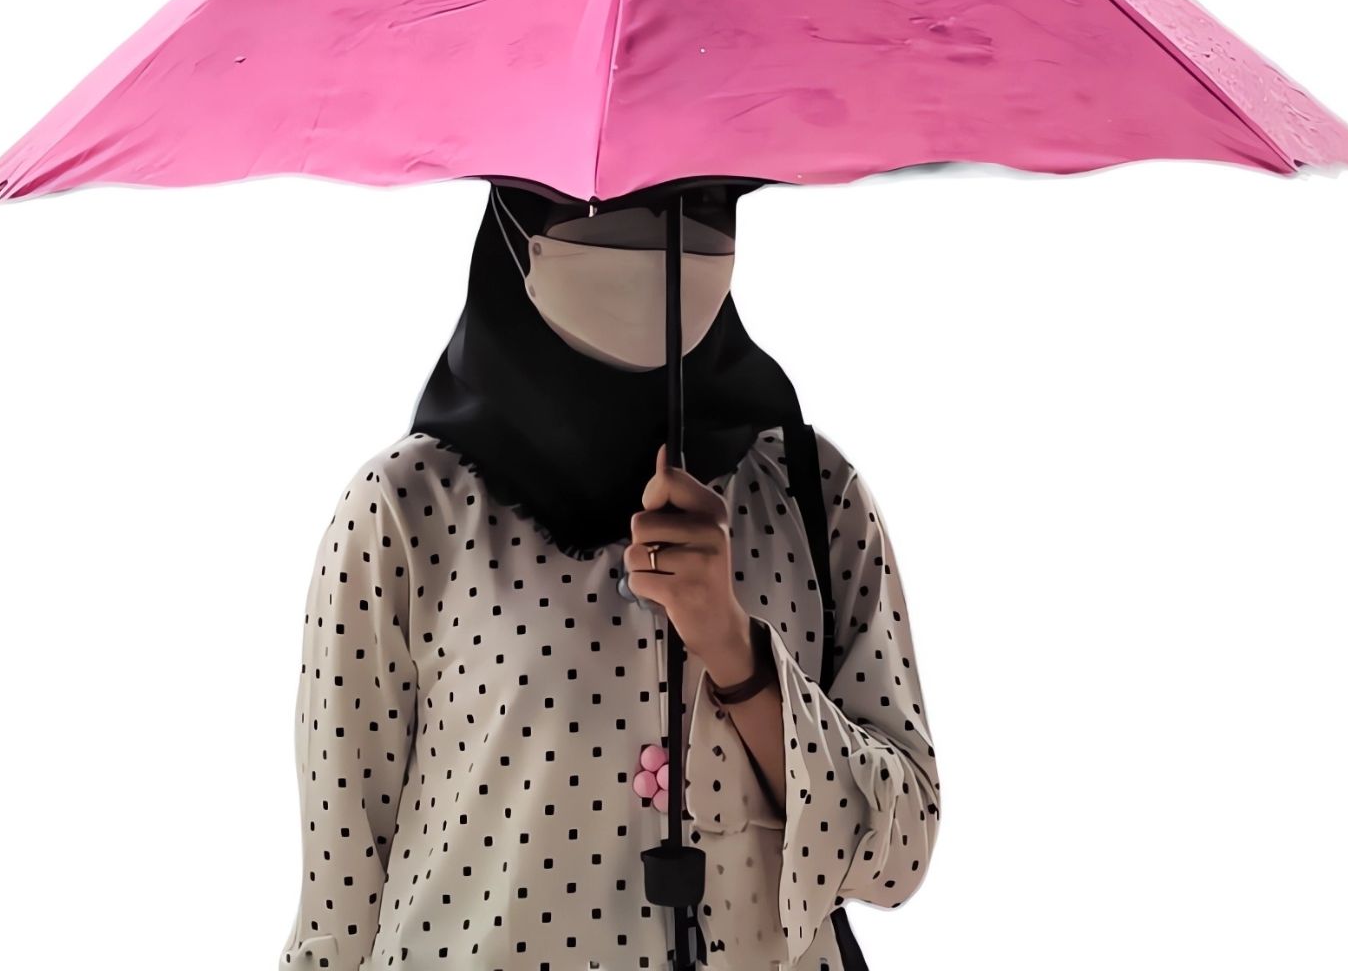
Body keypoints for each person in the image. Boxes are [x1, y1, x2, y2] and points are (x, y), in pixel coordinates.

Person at [280, 181, 942, 971]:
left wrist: (738, 655)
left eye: (703, 199)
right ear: (515, 216)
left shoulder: (812, 492)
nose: (662, 232)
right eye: (602, 201)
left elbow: (898, 856)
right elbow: (338, 907)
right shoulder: (405, 513)